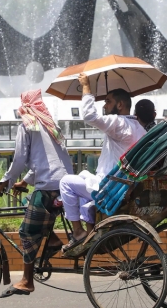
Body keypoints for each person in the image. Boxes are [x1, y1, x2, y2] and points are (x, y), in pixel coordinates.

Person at [0, 89, 73, 298]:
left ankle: (27, 281)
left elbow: (19, 160)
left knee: (26, 231)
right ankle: (52, 240)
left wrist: (2, 184)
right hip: (63, 184)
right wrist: (24, 182)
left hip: (48, 188)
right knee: (29, 201)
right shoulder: (49, 124)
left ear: (24, 107)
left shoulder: (28, 125)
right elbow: (44, 160)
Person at [59, 72, 146, 252]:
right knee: (84, 187)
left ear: (120, 105)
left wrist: (86, 87)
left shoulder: (119, 123)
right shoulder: (139, 128)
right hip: (122, 186)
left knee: (66, 183)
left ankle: (77, 232)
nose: (104, 106)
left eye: (107, 101)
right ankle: (92, 237)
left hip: (111, 188)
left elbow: (90, 116)